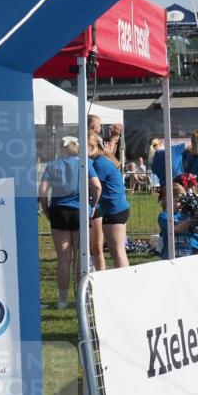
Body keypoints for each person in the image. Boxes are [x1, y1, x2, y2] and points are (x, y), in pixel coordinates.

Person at [39, 137, 102, 308]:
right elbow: (97, 187)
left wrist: (48, 212)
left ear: (63, 149)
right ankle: (82, 299)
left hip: (59, 211)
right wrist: (93, 206)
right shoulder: (85, 163)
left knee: (63, 259)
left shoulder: (52, 165)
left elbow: (42, 192)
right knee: (81, 258)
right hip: (80, 211)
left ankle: (62, 300)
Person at [87, 132, 131, 272]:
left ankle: (125, 281)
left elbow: (94, 186)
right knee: (115, 250)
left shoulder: (99, 163)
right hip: (114, 208)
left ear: (92, 146)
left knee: (117, 251)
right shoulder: (102, 160)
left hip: (115, 209)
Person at [157, 183, 198, 259]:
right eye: (178, 201)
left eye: (183, 201)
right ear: (168, 199)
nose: (181, 204)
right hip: (170, 258)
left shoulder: (185, 215)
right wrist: (190, 220)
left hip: (187, 257)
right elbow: (175, 229)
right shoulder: (164, 216)